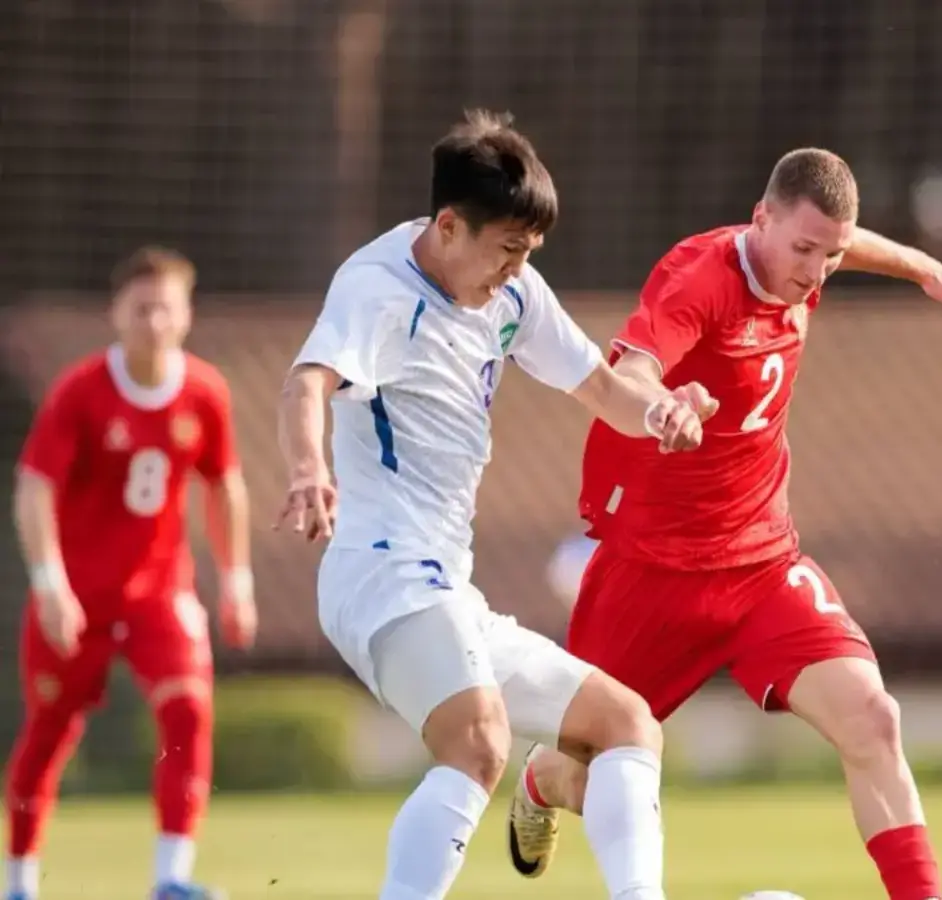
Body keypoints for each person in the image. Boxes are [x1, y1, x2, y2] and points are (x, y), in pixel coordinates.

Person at [512, 147, 942, 900]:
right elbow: (634, 365)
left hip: (763, 562)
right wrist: (662, 405)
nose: (815, 272)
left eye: (830, 256)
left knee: (872, 717)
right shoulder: (698, 278)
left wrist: (924, 271)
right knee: (586, 764)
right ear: (760, 219)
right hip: (654, 572)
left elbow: (847, 241)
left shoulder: (810, 256)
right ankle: (542, 785)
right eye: (803, 249)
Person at [275, 109, 715, 900]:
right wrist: (310, 469)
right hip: (381, 575)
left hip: (448, 588)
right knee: (479, 744)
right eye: (507, 249)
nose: (516, 269)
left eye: (528, 252)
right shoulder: (377, 291)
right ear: (448, 226)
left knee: (627, 723)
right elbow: (306, 380)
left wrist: (662, 412)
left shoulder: (511, 292)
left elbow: (605, 389)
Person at [6, 248, 255, 900]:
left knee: (189, 711)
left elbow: (223, 484)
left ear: (186, 314)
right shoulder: (80, 391)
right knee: (50, 732)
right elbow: (34, 487)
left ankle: (170, 878)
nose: (152, 320)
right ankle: (19, 882)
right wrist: (49, 581)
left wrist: (236, 579)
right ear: (116, 312)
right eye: (140, 307)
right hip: (77, 596)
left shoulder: (205, 391)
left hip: (158, 592)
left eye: (165, 307)